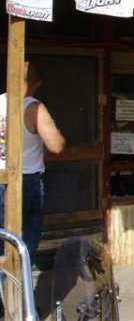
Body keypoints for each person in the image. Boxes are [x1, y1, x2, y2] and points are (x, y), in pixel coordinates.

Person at [0, 61, 65, 266]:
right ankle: (18, 293)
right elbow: (56, 145)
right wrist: (61, 136)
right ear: (37, 82)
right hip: (25, 182)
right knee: (23, 245)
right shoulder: (34, 107)